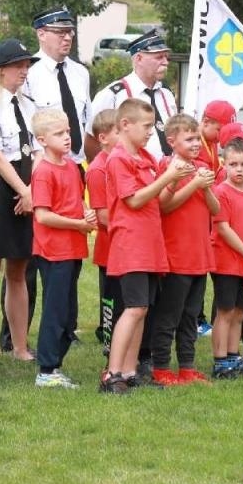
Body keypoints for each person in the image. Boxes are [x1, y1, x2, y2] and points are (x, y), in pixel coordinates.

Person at [99, 98, 190, 393]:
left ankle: (130, 371)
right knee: (134, 308)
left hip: (151, 243)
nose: (152, 132)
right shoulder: (118, 159)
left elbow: (159, 203)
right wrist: (167, 176)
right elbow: (134, 199)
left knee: (143, 309)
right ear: (125, 125)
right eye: (147, 126)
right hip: (131, 243)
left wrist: (174, 181)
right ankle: (112, 373)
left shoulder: (146, 158)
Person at [0, 39, 39, 363]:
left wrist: (33, 189)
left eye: (27, 65)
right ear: (2, 69)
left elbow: (39, 149)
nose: (24, 71)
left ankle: (20, 346)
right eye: (18, 65)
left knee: (20, 268)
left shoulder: (30, 104)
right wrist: (23, 191)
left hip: (28, 182)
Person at [28, 110, 93, 390]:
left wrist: (86, 213)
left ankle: (55, 364)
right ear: (42, 140)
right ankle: (46, 369)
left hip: (73, 248)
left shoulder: (71, 167)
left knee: (67, 313)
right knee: (55, 311)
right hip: (53, 251)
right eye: (59, 134)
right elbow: (42, 215)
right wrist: (78, 223)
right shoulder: (43, 172)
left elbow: (74, 201)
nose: (67, 138)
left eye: (67, 132)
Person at [152, 114, 218, 386]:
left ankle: (187, 367)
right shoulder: (169, 167)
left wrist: (207, 187)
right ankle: (161, 367)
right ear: (171, 141)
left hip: (199, 255)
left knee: (191, 314)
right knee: (170, 314)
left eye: (197, 138)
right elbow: (164, 206)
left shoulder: (202, 165)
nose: (195, 143)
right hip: (176, 255)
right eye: (189, 139)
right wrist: (194, 184)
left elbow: (216, 210)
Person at [210, 137, 243, 379]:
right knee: (225, 311)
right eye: (233, 164)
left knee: (240, 312)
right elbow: (223, 229)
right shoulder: (221, 192)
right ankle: (220, 362)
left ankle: (233, 357)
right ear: (224, 164)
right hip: (227, 262)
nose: (239, 170)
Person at [89, 29, 176, 159]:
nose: (165, 62)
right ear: (139, 58)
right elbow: (92, 139)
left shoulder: (165, 93)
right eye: (159, 57)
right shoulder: (114, 94)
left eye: (166, 57)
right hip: (132, 173)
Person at [23, 7, 90, 161]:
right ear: (41, 34)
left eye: (70, 32)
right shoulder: (28, 74)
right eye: (60, 33)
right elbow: (27, 128)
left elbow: (87, 121)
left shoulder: (80, 73)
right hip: (45, 164)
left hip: (77, 163)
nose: (67, 38)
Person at [88, 110, 121, 351]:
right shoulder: (98, 169)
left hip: (125, 244)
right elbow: (102, 215)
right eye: (118, 131)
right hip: (110, 246)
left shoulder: (121, 160)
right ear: (103, 138)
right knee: (111, 299)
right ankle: (109, 340)